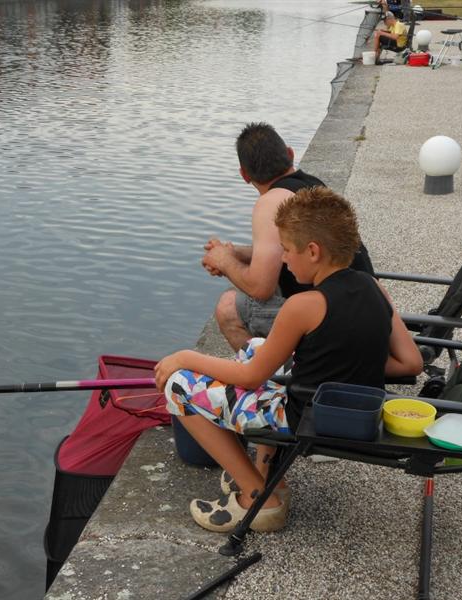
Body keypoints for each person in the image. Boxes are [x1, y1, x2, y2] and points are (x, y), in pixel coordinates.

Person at [155, 187, 423, 533]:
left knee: (178, 385)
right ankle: (268, 474)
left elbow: (250, 378)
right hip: (352, 412)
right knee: (257, 347)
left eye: (286, 249)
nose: (282, 258)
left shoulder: (304, 306)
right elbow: (411, 363)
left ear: (313, 251)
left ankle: (258, 498)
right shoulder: (373, 287)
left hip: (306, 418)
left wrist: (186, 357)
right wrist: (347, 363)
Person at [202, 122, 374, 352]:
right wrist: (233, 253)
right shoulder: (311, 186)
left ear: (244, 174)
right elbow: (280, 252)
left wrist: (224, 262)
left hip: (332, 320)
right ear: (290, 154)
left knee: (228, 306)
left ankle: (265, 371)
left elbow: (260, 287)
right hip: (364, 303)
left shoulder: (270, 203)